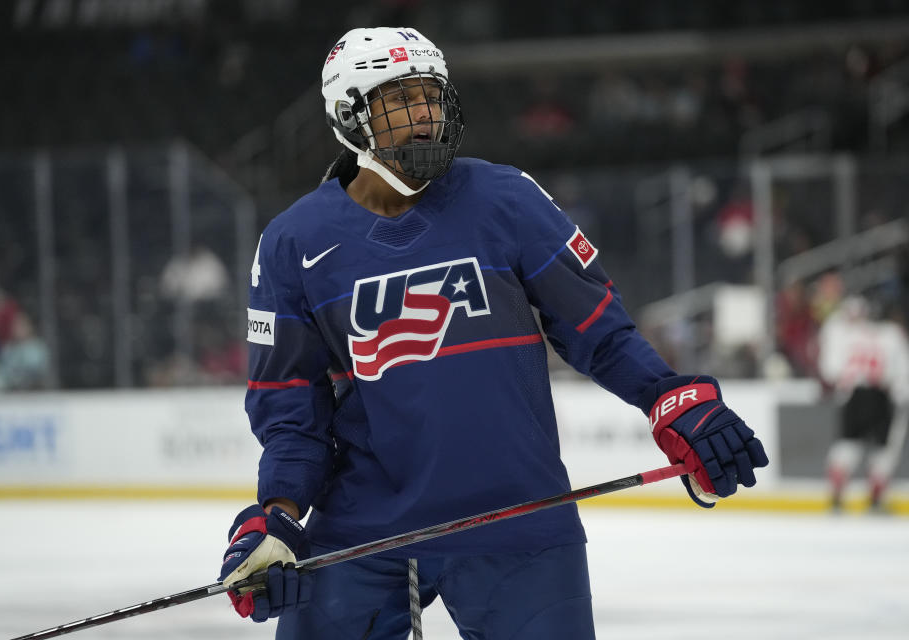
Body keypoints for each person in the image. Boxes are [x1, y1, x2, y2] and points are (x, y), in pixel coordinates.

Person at [218, 27, 769, 639]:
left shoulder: (505, 197)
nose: (425, 115)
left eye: (432, 97)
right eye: (402, 100)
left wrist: (668, 394)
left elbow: (598, 330)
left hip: (520, 520)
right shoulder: (294, 242)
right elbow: (292, 410)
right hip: (364, 531)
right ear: (351, 115)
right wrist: (277, 517)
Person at [819, 296, 909, 512]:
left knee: (847, 447)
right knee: (884, 450)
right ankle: (876, 498)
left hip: (855, 396)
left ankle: (837, 495)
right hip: (881, 394)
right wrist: (900, 395)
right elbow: (903, 372)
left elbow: (831, 369)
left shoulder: (844, 334)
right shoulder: (893, 335)